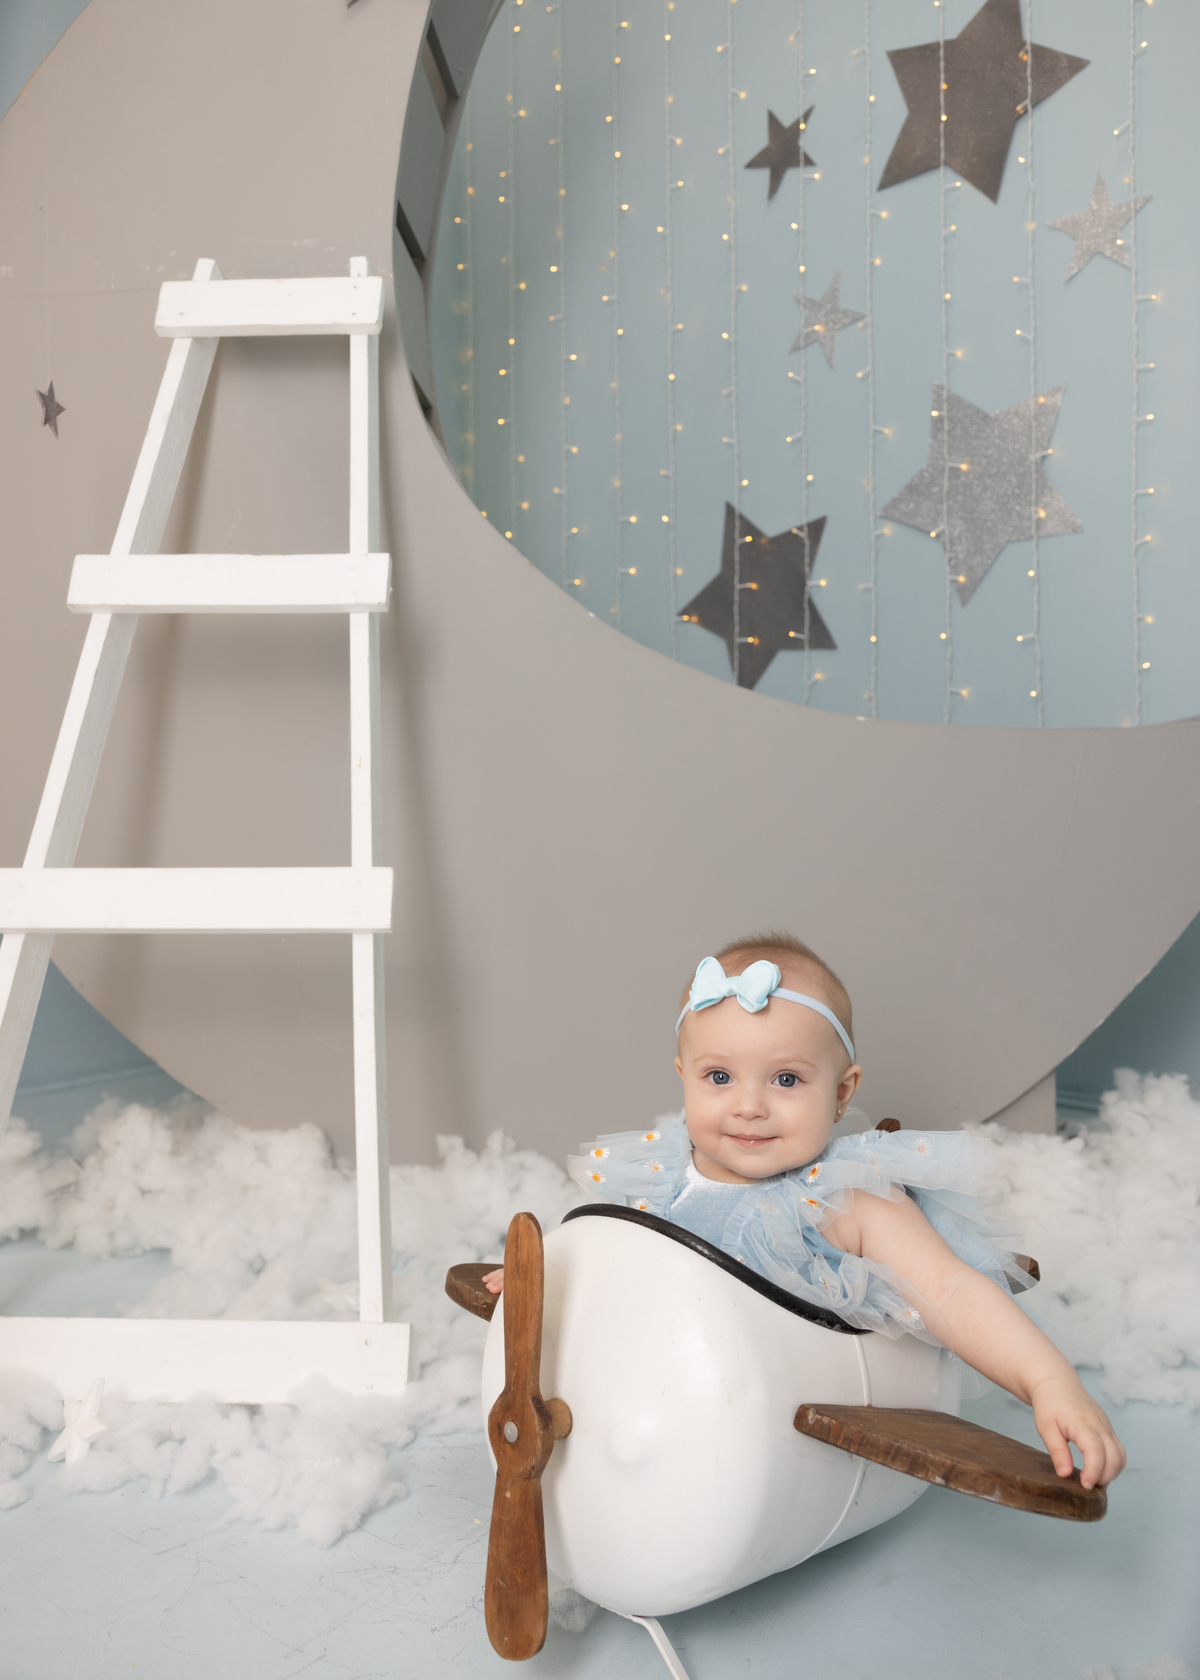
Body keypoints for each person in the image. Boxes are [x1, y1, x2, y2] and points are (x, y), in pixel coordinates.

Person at [484, 932, 1126, 1491]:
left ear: (842, 1092)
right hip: (665, 1413)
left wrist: (1050, 1383)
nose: (749, 1106)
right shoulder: (659, 1176)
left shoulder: (845, 1198)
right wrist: (550, 1277)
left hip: (774, 1428)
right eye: (718, 1077)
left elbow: (952, 1292)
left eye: (786, 1080)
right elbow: (617, 1258)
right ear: (683, 1076)